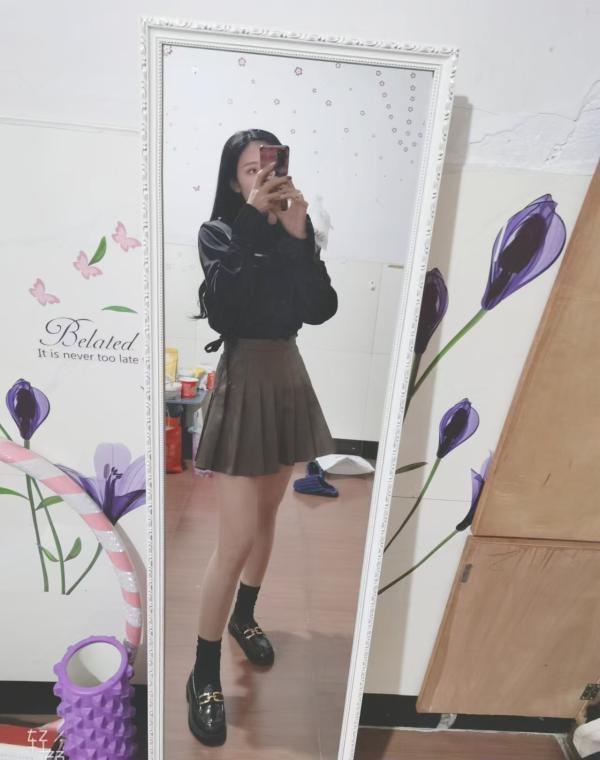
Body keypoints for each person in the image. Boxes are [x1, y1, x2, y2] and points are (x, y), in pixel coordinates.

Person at [186, 128, 338, 746]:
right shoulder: (220, 233)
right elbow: (224, 311)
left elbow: (320, 309)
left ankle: (244, 616)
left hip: (287, 377)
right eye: (251, 169)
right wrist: (253, 220)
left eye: (270, 166)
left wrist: (300, 237)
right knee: (236, 538)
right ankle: (202, 673)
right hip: (245, 376)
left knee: (269, 518)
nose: (263, 177)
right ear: (233, 179)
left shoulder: (292, 233)